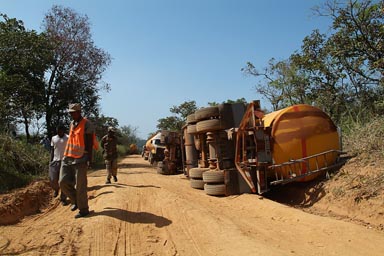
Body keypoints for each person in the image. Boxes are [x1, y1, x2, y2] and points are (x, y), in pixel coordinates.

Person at [59, 103, 95, 218]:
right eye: (70, 113)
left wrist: (90, 159)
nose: (71, 114)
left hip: (81, 157)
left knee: (80, 186)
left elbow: (89, 143)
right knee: (62, 182)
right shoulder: (71, 123)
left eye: (73, 112)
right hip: (68, 156)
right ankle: (75, 200)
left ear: (79, 112)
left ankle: (84, 209)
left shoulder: (87, 124)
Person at [49, 124, 69, 205]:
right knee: (53, 179)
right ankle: (56, 189)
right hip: (55, 161)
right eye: (57, 131)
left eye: (60, 130)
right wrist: (50, 161)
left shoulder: (68, 138)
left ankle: (63, 198)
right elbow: (52, 150)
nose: (59, 132)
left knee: (63, 181)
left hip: (65, 161)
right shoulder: (54, 138)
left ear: (63, 130)